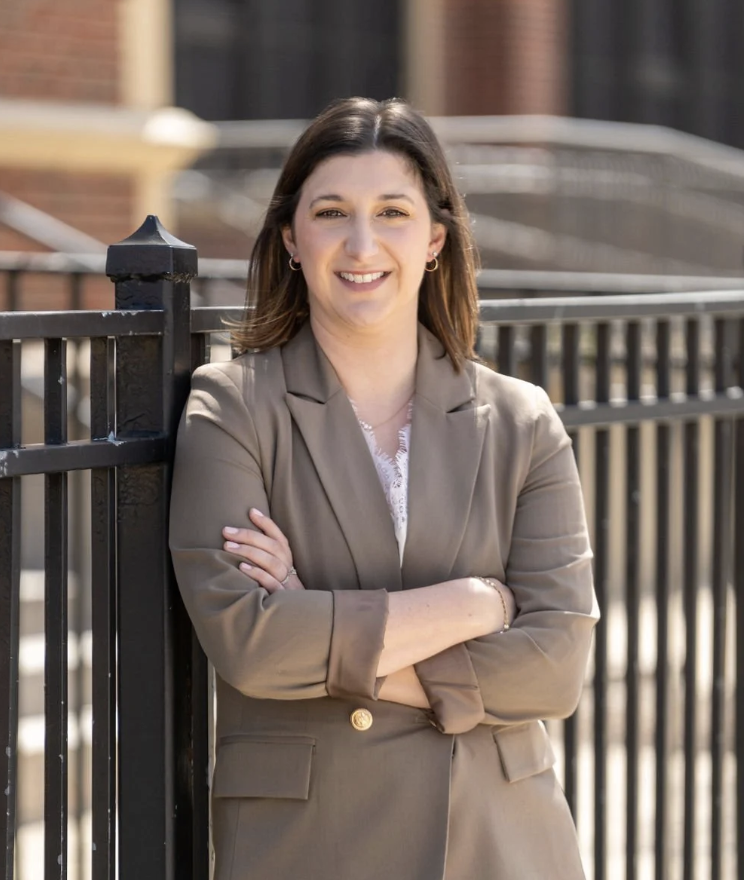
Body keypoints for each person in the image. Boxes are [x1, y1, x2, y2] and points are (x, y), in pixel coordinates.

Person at [169, 96, 599, 880]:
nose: (362, 243)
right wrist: (476, 605)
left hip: (499, 839)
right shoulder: (232, 406)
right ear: (292, 239)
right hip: (312, 844)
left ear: (434, 239)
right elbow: (252, 643)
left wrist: (322, 621)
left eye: (392, 212)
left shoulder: (520, 420)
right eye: (332, 211)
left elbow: (556, 665)